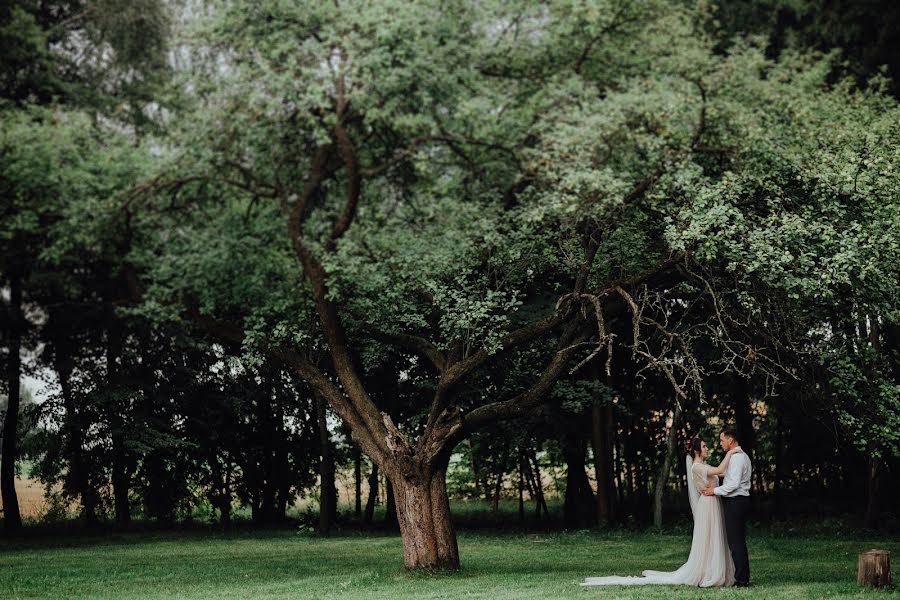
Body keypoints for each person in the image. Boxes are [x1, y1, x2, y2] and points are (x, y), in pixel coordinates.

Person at [581, 435, 738, 587]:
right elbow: (719, 470)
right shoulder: (697, 467)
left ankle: (713, 569)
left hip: (713, 503)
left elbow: (722, 472)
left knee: (714, 537)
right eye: (704, 446)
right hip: (707, 506)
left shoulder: (704, 466)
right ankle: (707, 572)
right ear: (697, 451)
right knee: (709, 538)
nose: (707, 448)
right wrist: (731, 452)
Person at [702, 429, 752, 587]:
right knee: (737, 542)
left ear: (730, 440)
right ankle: (742, 577)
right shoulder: (741, 456)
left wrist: (713, 491)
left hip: (736, 502)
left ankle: (742, 580)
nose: (720, 443)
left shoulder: (737, 458)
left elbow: (733, 484)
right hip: (740, 501)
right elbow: (728, 476)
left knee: (736, 543)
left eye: (722, 440)